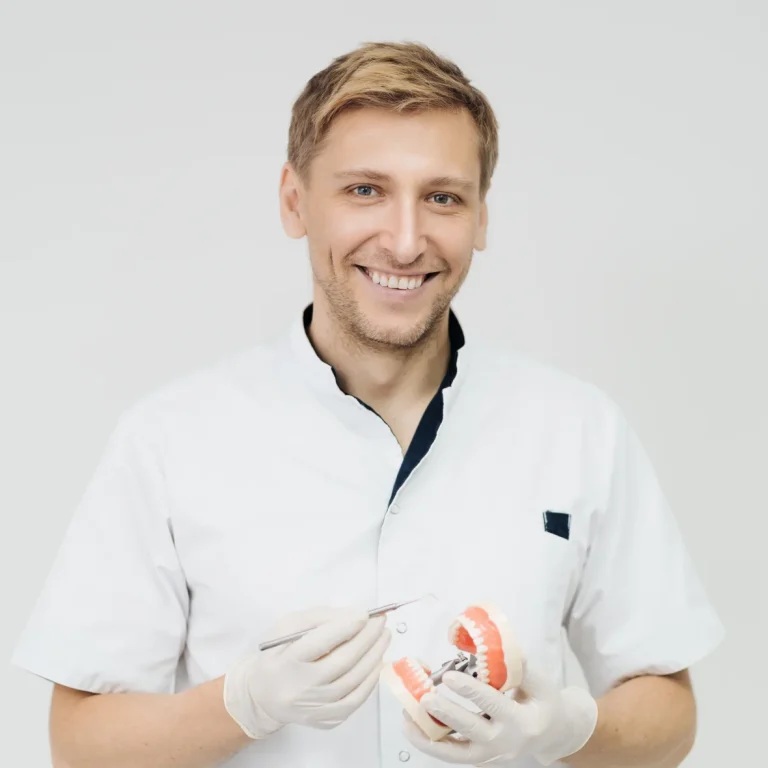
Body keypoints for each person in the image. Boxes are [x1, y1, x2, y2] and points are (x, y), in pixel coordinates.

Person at [12, 41, 724, 768]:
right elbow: (80, 744)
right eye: (364, 191)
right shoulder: (169, 441)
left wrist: (569, 730)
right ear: (295, 201)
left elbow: (671, 715)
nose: (406, 242)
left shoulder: (580, 431)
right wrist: (242, 703)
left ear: (481, 218)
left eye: (442, 197)